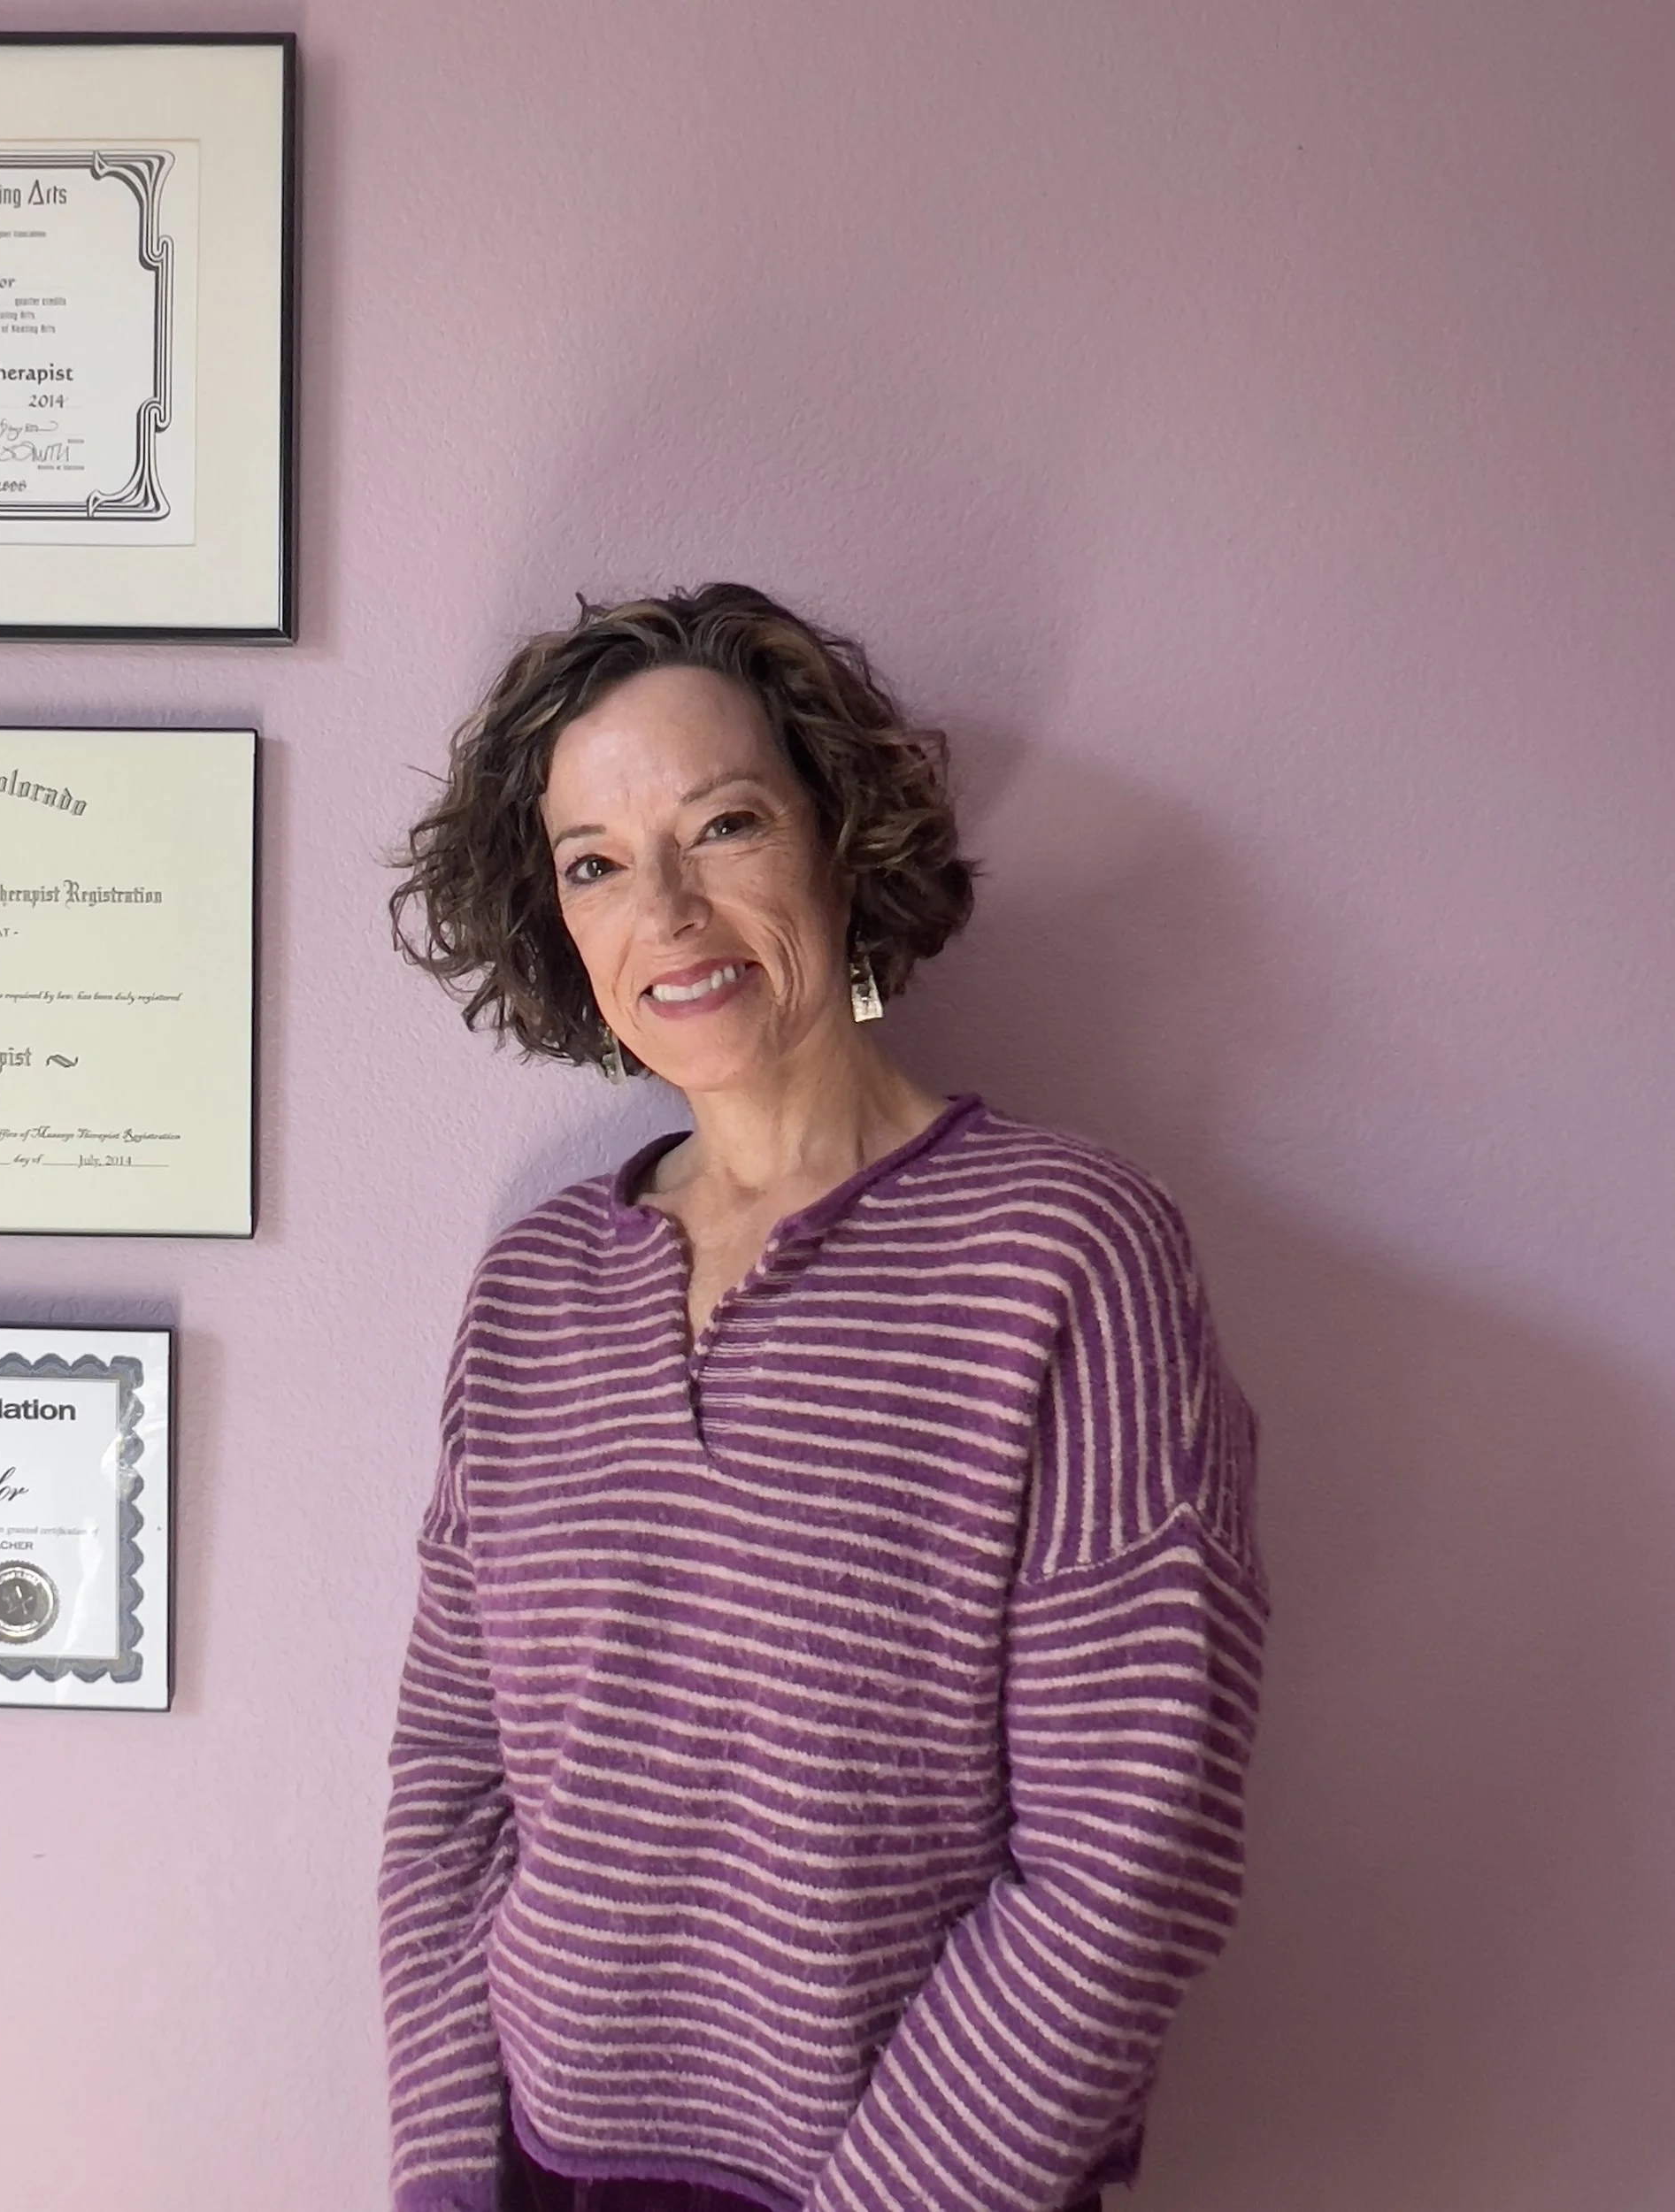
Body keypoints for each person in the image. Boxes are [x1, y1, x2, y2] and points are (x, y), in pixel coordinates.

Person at [380, 583, 1267, 2212]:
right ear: (560, 925)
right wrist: (445, 2176)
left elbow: (1129, 1852)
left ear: (839, 839)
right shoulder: (530, 1296)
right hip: (548, 2170)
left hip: (925, 2180)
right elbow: (451, 1784)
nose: (667, 908)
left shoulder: (1066, 1257)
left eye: (720, 825)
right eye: (595, 863)